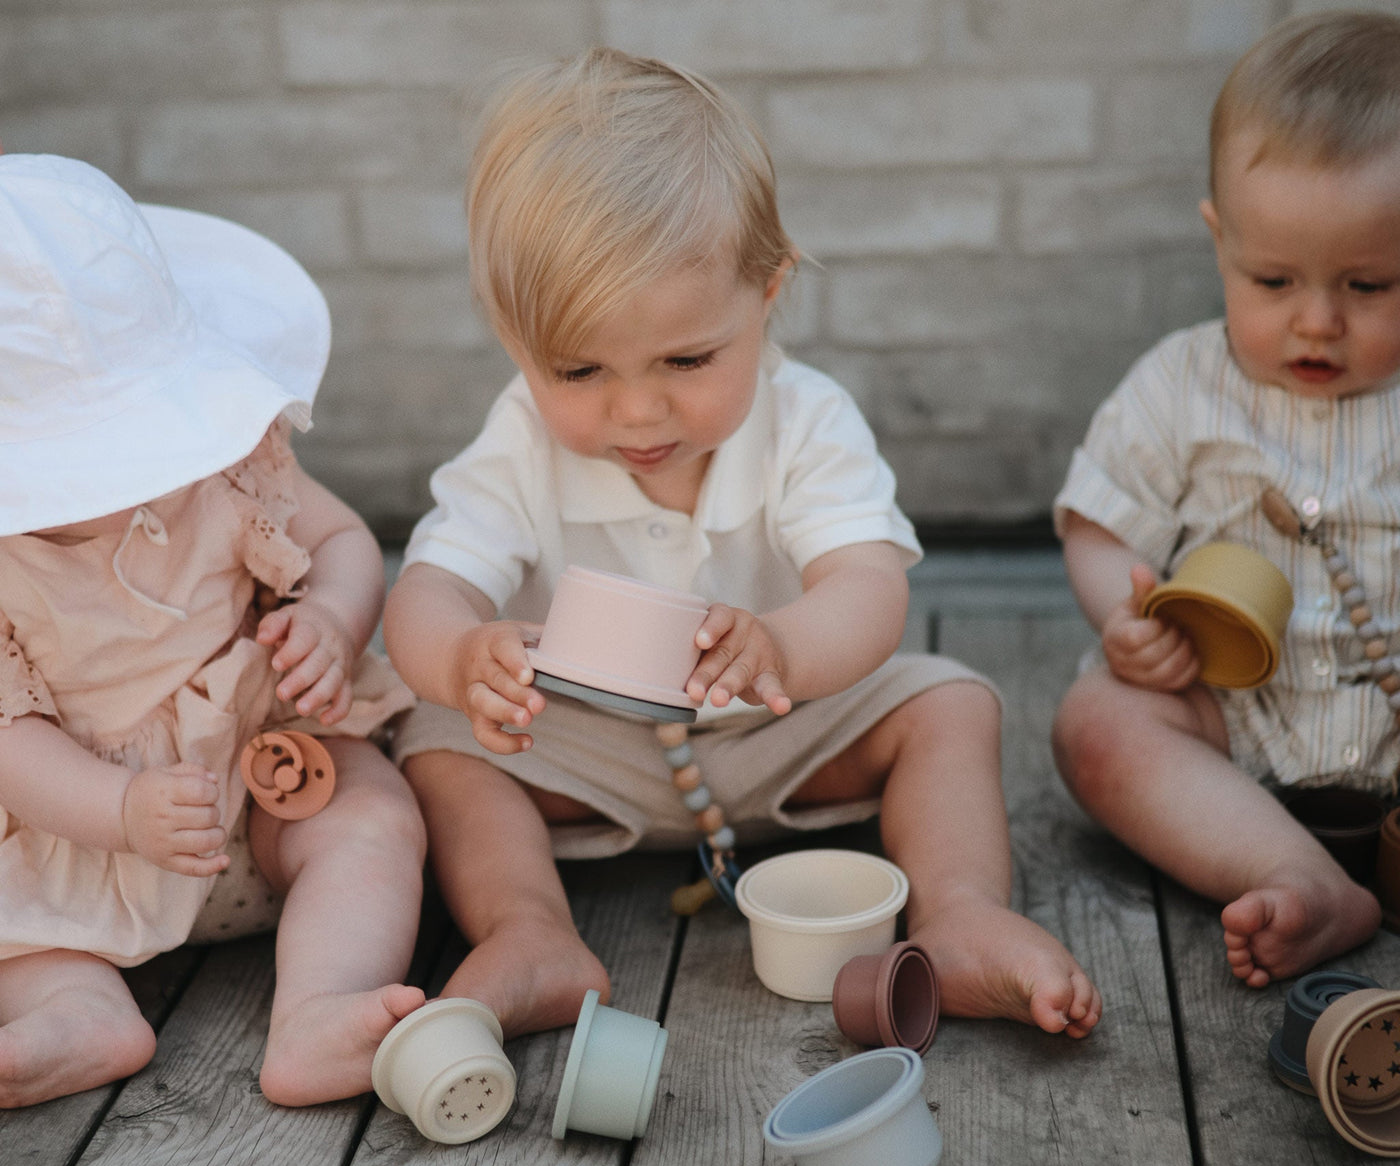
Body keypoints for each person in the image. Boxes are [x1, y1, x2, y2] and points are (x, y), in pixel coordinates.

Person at [384, 47, 1101, 1042]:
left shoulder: (805, 421)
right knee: (433, 743)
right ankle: (530, 929)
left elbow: (865, 585)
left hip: (780, 731)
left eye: (686, 357)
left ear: (765, 295)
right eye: (580, 368)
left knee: (946, 702)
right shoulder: (518, 439)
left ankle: (960, 912)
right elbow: (424, 592)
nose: (638, 408)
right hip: (592, 747)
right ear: (514, 342)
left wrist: (783, 646)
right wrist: (464, 658)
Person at [0, 154, 428, 1108]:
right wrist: (120, 811)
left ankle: (323, 1005)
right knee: (21, 941)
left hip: (270, 773)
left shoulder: (227, 462)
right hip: (76, 844)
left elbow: (345, 538)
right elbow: (10, 743)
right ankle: (78, 1014)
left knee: (374, 819)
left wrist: (331, 615)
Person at [1052, 11, 1400, 988]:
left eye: (1368, 284)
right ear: (1219, 243)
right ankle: (1289, 870)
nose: (1317, 319)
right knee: (1097, 725)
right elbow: (1098, 517)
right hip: (1231, 723)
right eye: (1272, 278)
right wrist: (1121, 616)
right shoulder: (1180, 385)